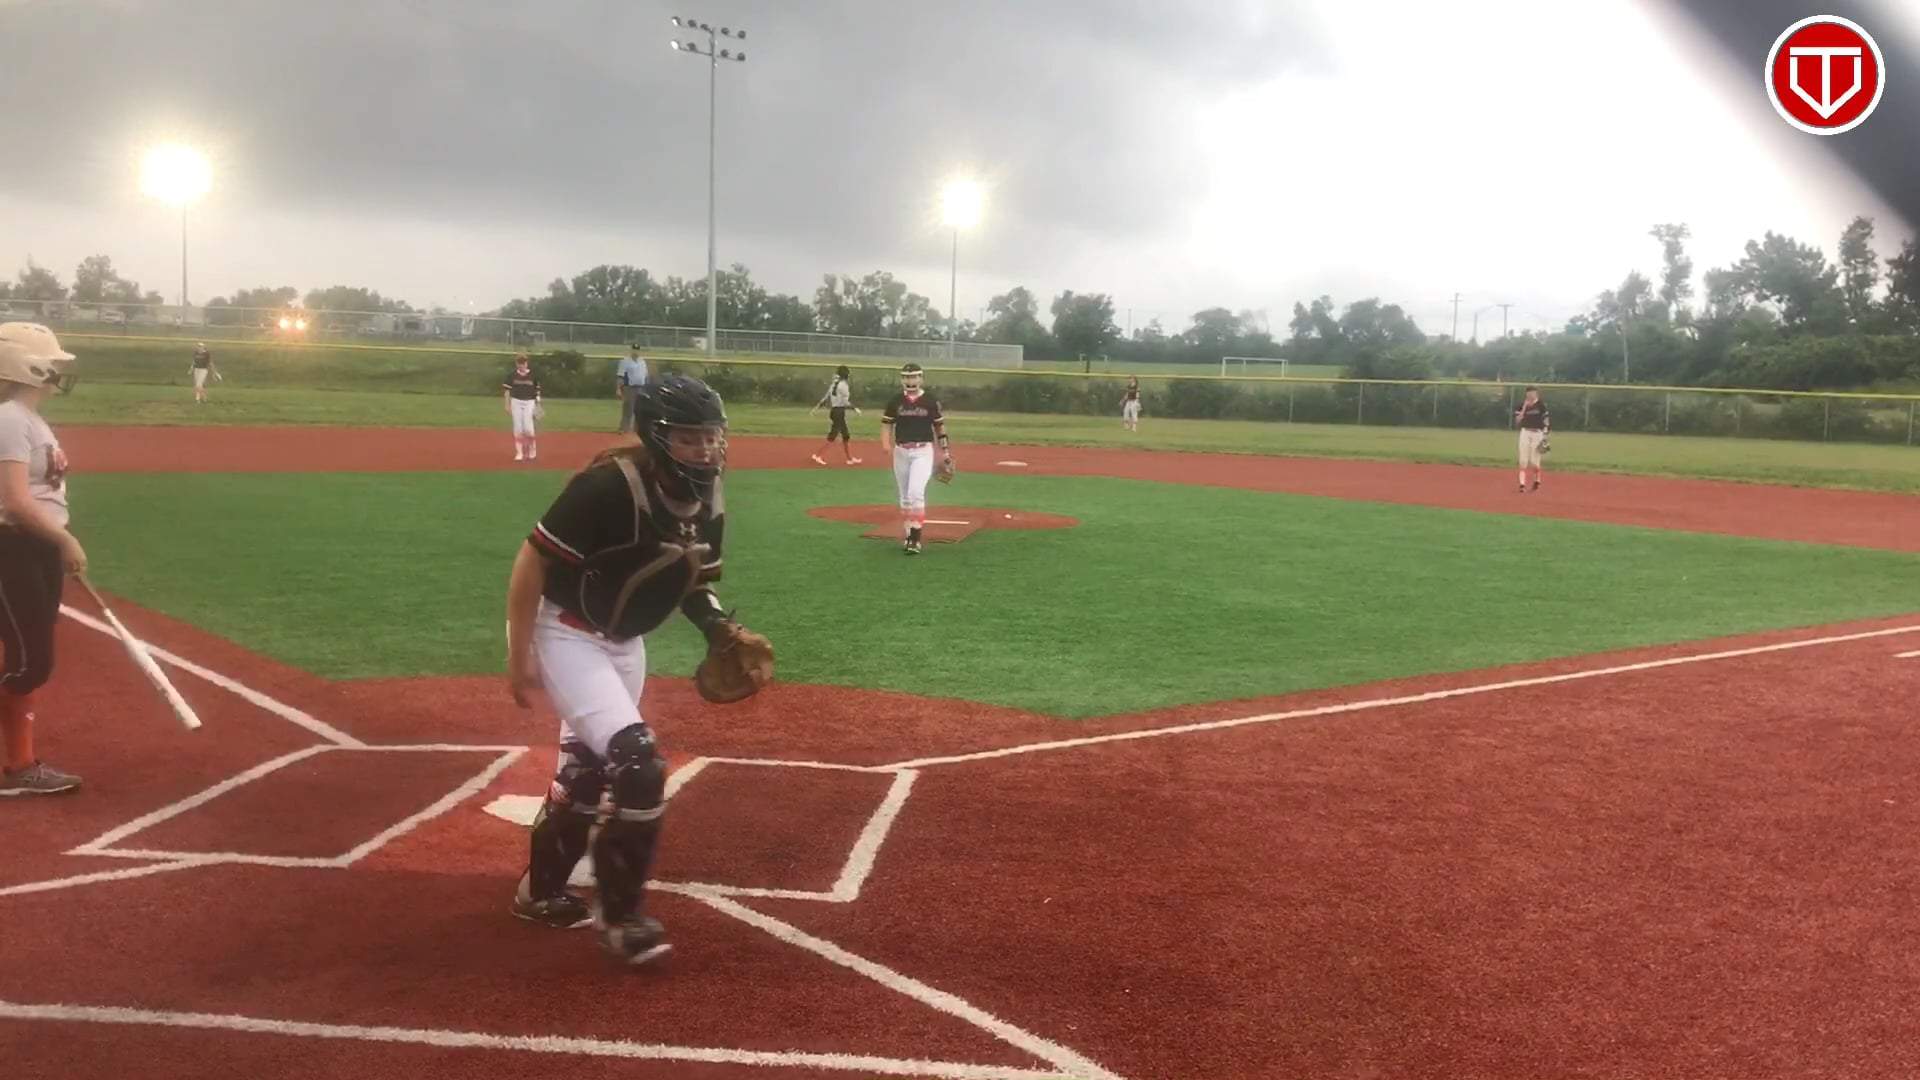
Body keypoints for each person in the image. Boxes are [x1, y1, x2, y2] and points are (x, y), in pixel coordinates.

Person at [505, 372, 758, 966]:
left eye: (711, 437)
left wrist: (716, 627)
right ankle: (621, 920)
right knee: (639, 764)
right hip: (566, 634)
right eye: (689, 438)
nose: (705, 450)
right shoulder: (609, 488)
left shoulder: (709, 500)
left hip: (624, 644)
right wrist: (519, 657)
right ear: (656, 437)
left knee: (587, 770)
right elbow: (531, 563)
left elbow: (694, 578)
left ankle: (538, 892)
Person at [0, 322, 85, 796]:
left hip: (36, 546)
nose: (57, 370)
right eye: (51, 362)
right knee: (32, 662)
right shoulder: (11, 418)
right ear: (27, 366)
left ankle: (19, 766)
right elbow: (14, 501)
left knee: (28, 658)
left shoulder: (31, 420)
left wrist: (56, 541)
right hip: (12, 545)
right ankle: (17, 766)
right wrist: (63, 540)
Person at [879, 362, 953, 555]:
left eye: (913, 377)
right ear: (901, 379)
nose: (910, 380)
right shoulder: (895, 401)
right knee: (904, 497)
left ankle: (915, 538)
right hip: (901, 451)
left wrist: (945, 451)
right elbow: (887, 424)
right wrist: (885, 443)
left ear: (921, 378)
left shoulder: (930, 401)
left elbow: (939, 427)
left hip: (922, 450)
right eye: (906, 377)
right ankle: (908, 536)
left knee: (915, 493)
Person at [808, 365, 863, 465]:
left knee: (845, 435)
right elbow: (845, 402)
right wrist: (855, 408)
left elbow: (826, 398)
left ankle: (849, 458)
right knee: (833, 435)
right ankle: (819, 455)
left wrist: (816, 408)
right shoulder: (843, 386)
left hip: (835, 411)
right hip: (839, 411)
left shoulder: (834, 384)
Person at [503, 354, 542, 461]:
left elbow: (537, 391)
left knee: (528, 428)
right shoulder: (512, 375)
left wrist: (538, 404)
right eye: (519, 364)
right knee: (518, 428)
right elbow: (507, 391)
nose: (521, 366)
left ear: (526, 364)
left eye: (523, 363)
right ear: (516, 364)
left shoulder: (533, 375)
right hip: (516, 402)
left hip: (529, 402)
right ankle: (519, 453)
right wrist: (507, 404)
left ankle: (532, 450)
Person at [1514, 386, 1550, 492]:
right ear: (1526, 394)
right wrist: (1524, 407)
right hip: (1525, 432)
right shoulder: (1522, 405)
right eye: (1529, 393)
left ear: (1536, 393)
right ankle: (1522, 485)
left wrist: (1545, 434)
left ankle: (1537, 481)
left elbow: (1546, 420)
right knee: (1523, 460)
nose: (1531, 395)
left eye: (1533, 393)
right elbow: (1518, 420)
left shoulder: (1541, 405)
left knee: (1534, 461)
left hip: (1537, 433)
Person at [615, 345, 650, 435]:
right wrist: (619, 389)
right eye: (634, 350)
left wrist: (647, 388)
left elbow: (645, 376)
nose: (636, 352)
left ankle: (636, 430)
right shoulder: (625, 361)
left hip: (641, 388)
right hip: (629, 388)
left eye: (637, 350)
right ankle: (623, 429)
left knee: (639, 410)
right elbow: (620, 376)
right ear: (631, 350)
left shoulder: (642, 362)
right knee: (628, 409)